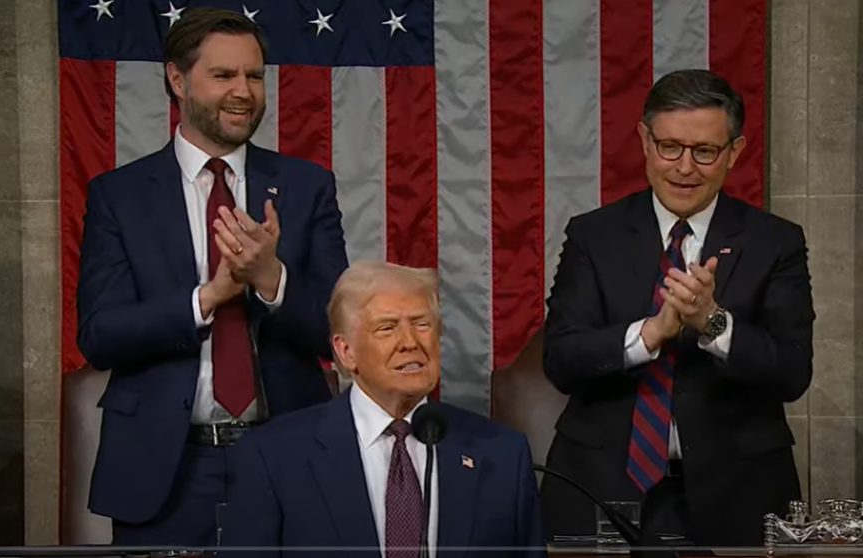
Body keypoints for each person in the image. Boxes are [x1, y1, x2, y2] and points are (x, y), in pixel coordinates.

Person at [75, 7, 349, 547]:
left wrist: (272, 280)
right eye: (223, 75)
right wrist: (208, 298)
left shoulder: (305, 186)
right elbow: (100, 335)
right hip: (166, 469)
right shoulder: (120, 195)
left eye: (253, 75)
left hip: (287, 453)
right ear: (177, 80)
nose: (243, 91)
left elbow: (338, 334)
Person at [540, 69, 813, 547]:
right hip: (601, 485)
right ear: (645, 141)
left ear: (735, 152)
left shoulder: (776, 242)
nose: (684, 167)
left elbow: (792, 373)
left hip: (739, 491)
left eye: (705, 151)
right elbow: (562, 360)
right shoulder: (593, 236)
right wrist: (650, 332)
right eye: (670, 146)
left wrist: (714, 323)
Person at [218, 261, 547, 558]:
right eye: (387, 328)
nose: (409, 342)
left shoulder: (501, 454)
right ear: (346, 352)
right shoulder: (273, 457)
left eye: (422, 324)